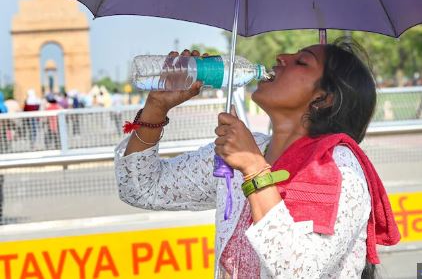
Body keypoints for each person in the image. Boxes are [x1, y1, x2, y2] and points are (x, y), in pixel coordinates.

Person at [114, 40, 400, 278]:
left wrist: (253, 168)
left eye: (302, 62)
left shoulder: (336, 166)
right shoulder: (246, 151)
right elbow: (142, 189)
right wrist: (156, 108)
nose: (280, 57)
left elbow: (300, 271)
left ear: (323, 99)